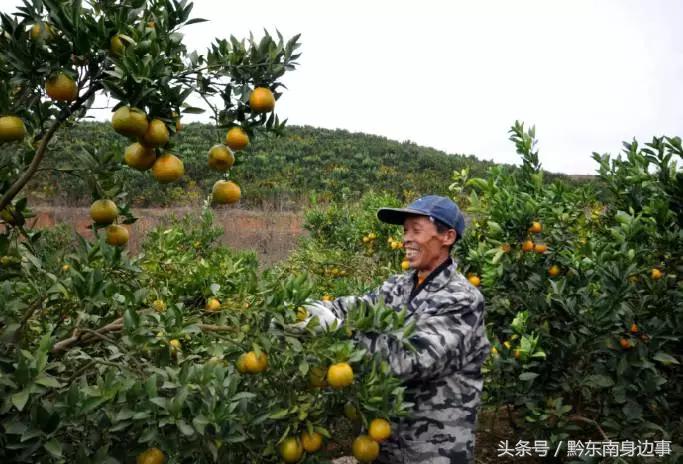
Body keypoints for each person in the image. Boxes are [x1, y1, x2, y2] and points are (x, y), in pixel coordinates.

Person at [306, 195, 490, 464]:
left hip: (434, 450)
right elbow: (357, 308)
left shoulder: (463, 300)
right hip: (383, 445)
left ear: (447, 237)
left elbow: (410, 359)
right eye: (405, 231)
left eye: (416, 230)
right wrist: (303, 312)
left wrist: (339, 330)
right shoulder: (398, 286)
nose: (406, 238)